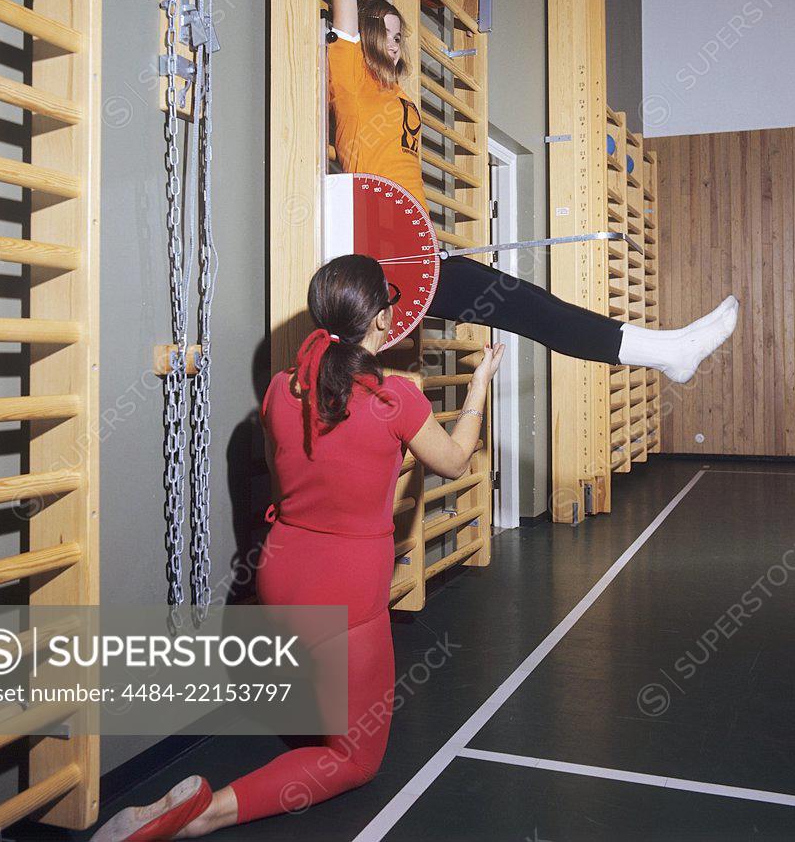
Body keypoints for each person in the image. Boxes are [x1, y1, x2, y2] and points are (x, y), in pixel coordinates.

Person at [90, 254, 504, 840]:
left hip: (279, 577)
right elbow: (455, 460)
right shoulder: (397, 400)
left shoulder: (283, 391)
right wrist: (478, 387)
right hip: (347, 587)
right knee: (355, 759)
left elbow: (300, 463)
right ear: (382, 320)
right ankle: (201, 814)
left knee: (327, 695)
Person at [320, 0, 739, 385]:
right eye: (387, 35)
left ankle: (665, 349)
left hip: (414, 246)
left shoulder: (388, 87)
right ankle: (667, 351)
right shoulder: (347, 70)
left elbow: (379, 0)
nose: (396, 42)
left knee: (533, 308)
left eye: (397, 36)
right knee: (531, 309)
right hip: (382, 255)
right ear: (363, 36)